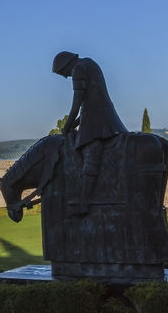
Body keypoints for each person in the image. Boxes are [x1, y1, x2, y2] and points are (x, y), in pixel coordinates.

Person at [52, 52, 127, 214]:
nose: (65, 77)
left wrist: (67, 125)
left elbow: (77, 103)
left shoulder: (79, 68)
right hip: (98, 116)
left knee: (90, 157)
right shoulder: (89, 63)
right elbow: (89, 105)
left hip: (99, 121)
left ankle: (83, 202)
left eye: (62, 73)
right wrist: (75, 123)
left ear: (66, 65)